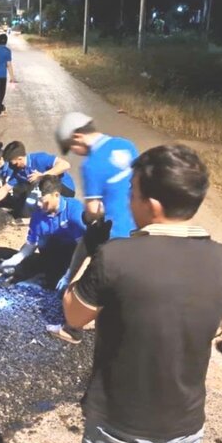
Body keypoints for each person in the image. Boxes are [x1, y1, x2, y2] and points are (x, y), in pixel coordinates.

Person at [62, 144, 222, 443]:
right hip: (184, 422)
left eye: (132, 193)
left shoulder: (116, 257)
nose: (129, 201)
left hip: (119, 422)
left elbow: (74, 315)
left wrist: (89, 255)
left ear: (153, 205)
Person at [47, 112, 140, 343]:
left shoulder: (92, 165)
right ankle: (68, 276)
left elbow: (93, 210)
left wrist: (88, 216)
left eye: (71, 147)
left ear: (78, 137)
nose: (74, 153)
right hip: (140, 221)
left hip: (118, 233)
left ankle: (72, 329)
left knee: (98, 278)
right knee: (89, 237)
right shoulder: (125, 145)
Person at [0, 175, 86, 289]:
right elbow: (32, 243)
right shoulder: (38, 214)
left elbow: (83, 245)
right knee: (40, 246)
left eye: (43, 200)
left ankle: (52, 276)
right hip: (52, 255)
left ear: (56, 195)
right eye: (38, 199)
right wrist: (16, 259)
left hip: (75, 254)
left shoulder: (74, 209)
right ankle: (47, 274)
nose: (39, 204)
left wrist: (70, 274)